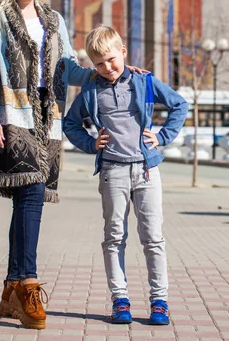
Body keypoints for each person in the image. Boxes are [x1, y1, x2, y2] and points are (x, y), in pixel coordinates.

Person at [0, 0, 143, 330]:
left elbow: (68, 70)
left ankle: (11, 289)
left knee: (26, 202)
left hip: (46, 121)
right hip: (11, 117)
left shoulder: (53, 19)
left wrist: (108, 69)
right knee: (30, 193)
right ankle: (29, 285)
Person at [63, 26, 188, 325]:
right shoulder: (91, 89)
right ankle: (120, 300)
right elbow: (70, 124)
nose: (107, 68)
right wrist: (91, 144)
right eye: (99, 64)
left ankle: (159, 302)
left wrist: (163, 136)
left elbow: (180, 104)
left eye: (111, 59)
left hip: (146, 171)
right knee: (114, 237)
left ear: (123, 52)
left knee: (153, 238)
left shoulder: (144, 81)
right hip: (113, 171)